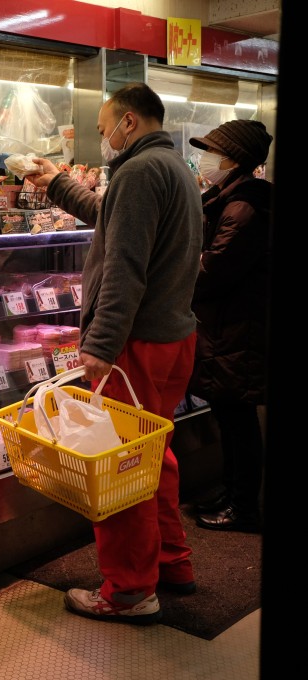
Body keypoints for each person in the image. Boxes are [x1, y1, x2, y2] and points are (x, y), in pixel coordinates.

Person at [24, 82, 203, 625]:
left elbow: (125, 266)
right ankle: (171, 561)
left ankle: (128, 590)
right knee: (153, 458)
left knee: (118, 466)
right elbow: (115, 220)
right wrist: (56, 183)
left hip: (137, 341)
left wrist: (99, 344)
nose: (102, 139)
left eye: (103, 129)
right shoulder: (172, 168)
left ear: (128, 122)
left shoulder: (139, 172)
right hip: (172, 338)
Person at [186, 120, 272, 532]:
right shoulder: (233, 198)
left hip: (239, 329)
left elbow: (213, 270)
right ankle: (232, 491)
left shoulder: (243, 208)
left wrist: (181, 274)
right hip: (230, 327)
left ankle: (243, 507)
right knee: (229, 413)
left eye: (213, 152)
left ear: (234, 160)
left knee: (237, 419)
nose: (207, 159)